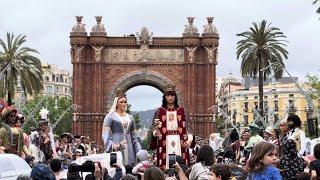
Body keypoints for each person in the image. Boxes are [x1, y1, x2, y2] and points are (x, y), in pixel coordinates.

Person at [150, 84, 194, 169]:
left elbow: (189, 129)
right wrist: (156, 133)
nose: (170, 97)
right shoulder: (159, 111)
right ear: (165, 97)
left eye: (172, 95)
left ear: (175, 97)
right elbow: (153, 128)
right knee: (166, 166)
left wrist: (189, 141)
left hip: (180, 141)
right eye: (168, 95)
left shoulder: (182, 111)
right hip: (164, 142)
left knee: (180, 165)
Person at [102, 89, 141, 165]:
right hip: (117, 143)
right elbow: (105, 135)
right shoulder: (110, 117)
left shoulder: (130, 117)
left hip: (129, 145)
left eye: (125, 102)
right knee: (118, 164)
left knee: (129, 165)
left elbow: (135, 137)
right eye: (121, 102)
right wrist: (113, 145)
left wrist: (139, 151)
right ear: (116, 103)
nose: (123, 104)